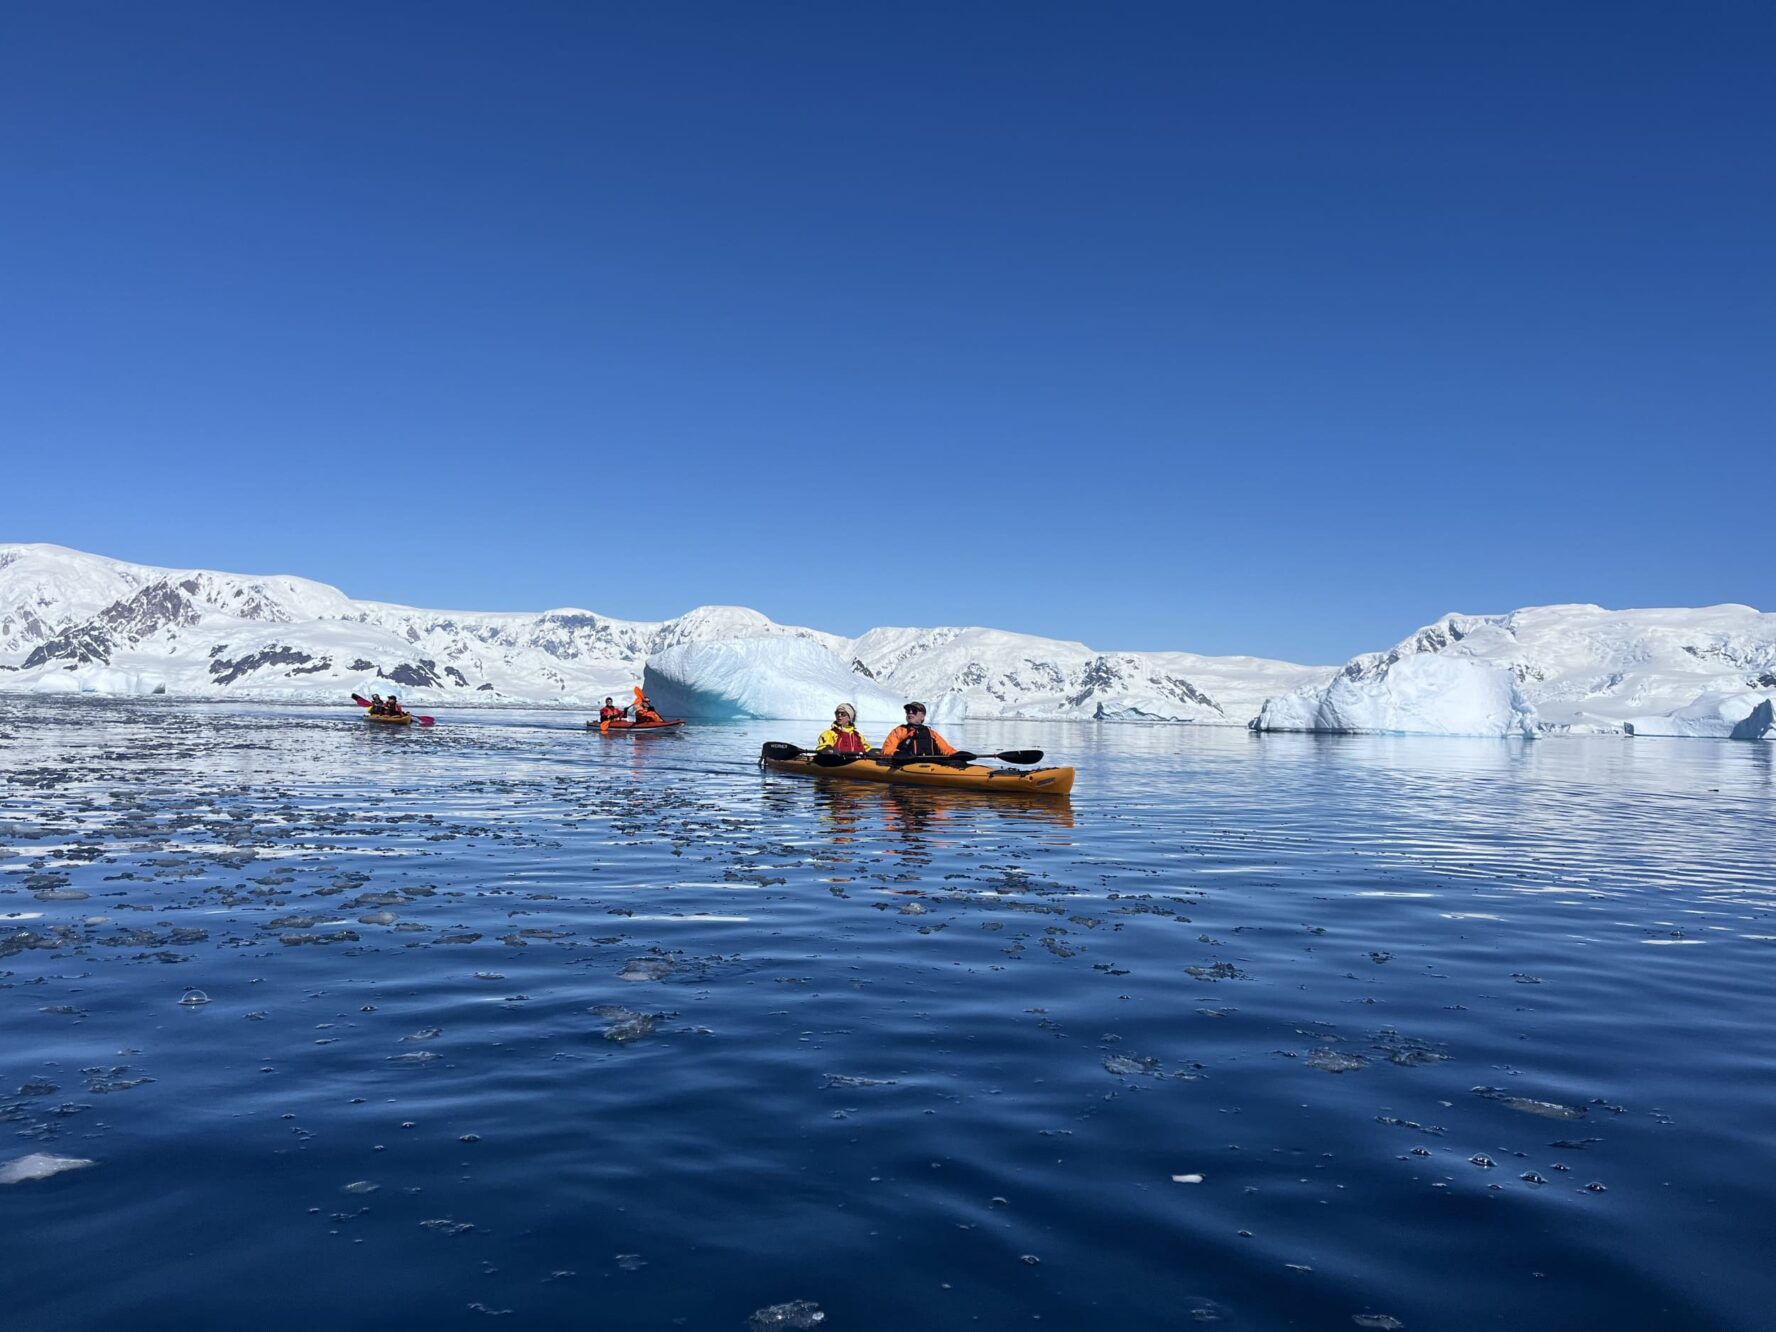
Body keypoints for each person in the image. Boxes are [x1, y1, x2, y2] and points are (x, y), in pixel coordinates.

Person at [878, 701, 957, 759]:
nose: (910, 713)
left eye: (914, 711)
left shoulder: (932, 733)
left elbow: (946, 749)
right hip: (904, 764)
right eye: (908, 711)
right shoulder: (899, 731)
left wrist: (956, 754)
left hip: (930, 764)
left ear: (922, 716)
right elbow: (887, 749)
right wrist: (897, 753)